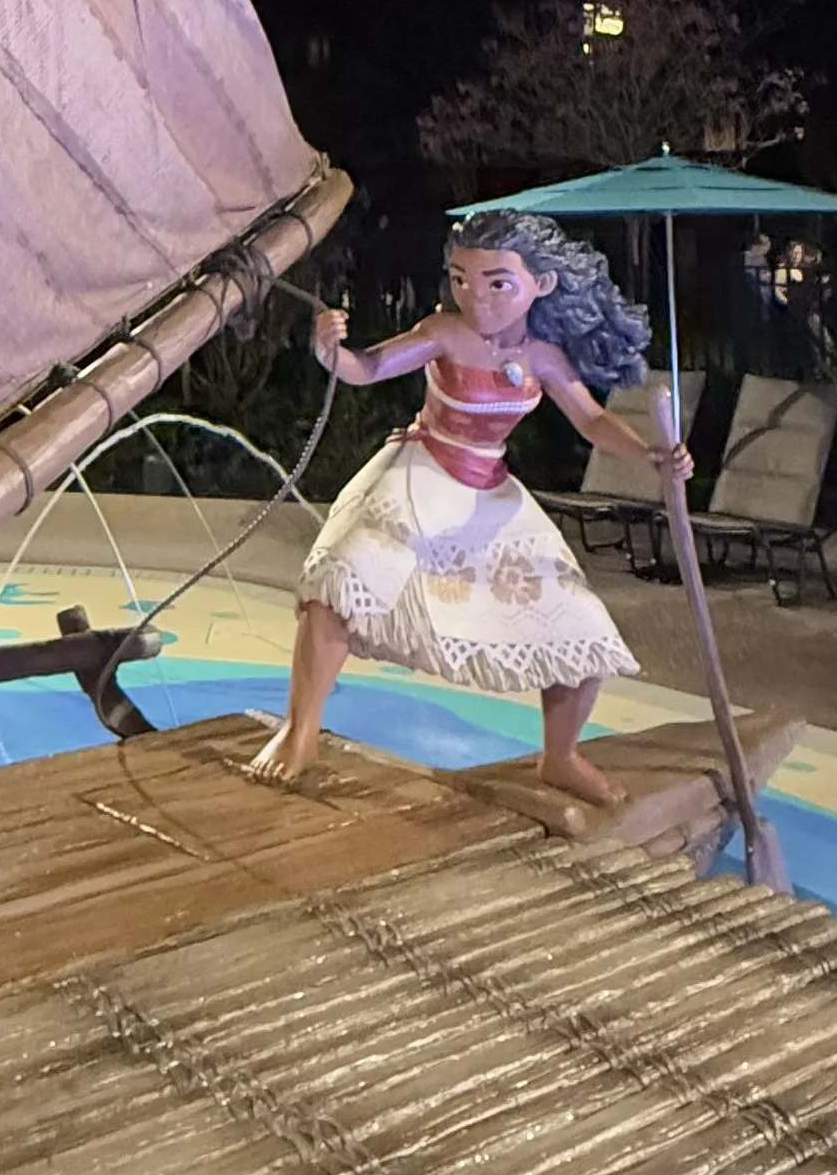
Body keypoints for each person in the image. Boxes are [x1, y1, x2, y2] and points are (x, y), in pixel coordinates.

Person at [249, 210, 690, 804]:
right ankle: (299, 730)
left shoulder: (543, 357)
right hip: (420, 475)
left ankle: (560, 756)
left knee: (582, 630)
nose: (474, 298)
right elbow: (368, 367)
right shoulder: (444, 333)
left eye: (496, 283)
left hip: (490, 494)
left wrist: (653, 457)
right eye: (461, 279)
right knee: (337, 586)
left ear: (543, 284)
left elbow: (592, 421)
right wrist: (331, 353)